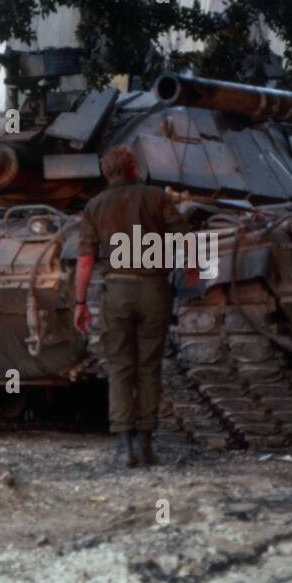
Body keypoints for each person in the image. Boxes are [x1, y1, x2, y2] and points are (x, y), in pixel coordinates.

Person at [74, 147, 197, 468]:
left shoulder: (95, 205)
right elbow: (186, 238)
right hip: (155, 289)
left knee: (120, 367)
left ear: (106, 174)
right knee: (148, 368)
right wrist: (193, 269)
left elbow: (85, 261)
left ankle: (123, 446)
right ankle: (146, 444)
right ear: (133, 170)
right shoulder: (156, 197)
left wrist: (80, 302)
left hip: (117, 291)